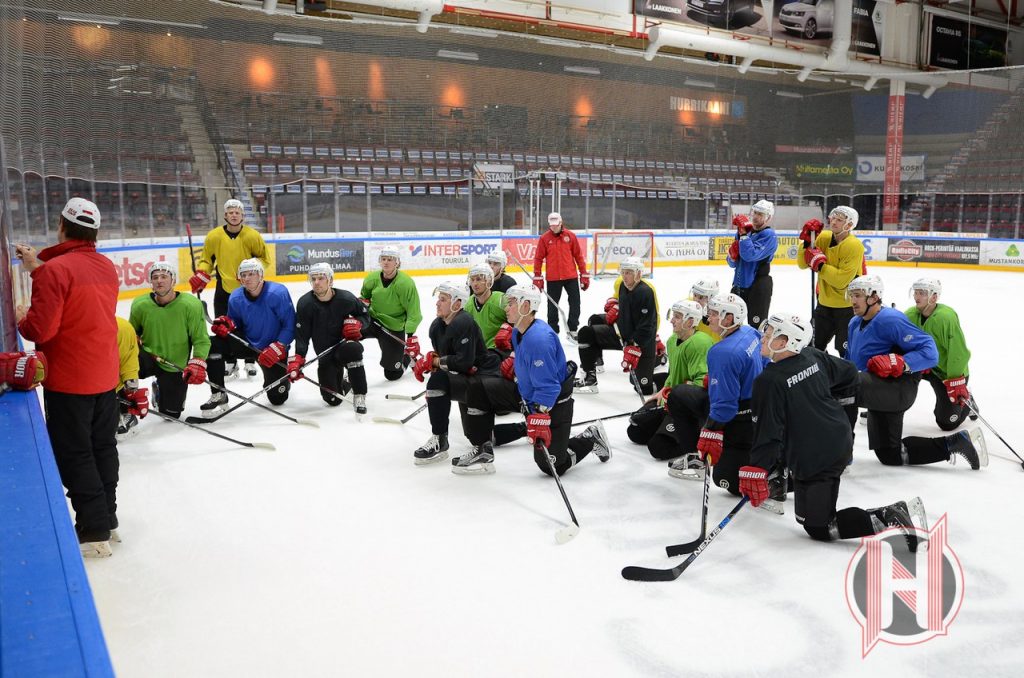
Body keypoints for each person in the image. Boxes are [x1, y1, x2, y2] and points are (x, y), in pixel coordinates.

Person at [740, 311, 928, 549]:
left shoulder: (768, 382)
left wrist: (757, 469)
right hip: (831, 441)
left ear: (785, 341)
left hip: (821, 453)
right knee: (804, 518)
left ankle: (892, 516)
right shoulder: (811, 356)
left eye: (769, 334)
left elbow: (767, 433)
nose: (763, 338)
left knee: (820, 527)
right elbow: (849, 372)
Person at [15, 197, 121, 557]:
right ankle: (108, 517)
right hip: (106, 374)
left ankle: (93, 529)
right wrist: (37, 267)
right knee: (102, 446)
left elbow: (40, 329)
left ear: (62, 225)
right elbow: (74, 280)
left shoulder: (55, 271)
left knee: (74, 452)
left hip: (71, 379)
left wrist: (19, 317)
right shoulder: (106, 266)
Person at [452, 285, 610, 475]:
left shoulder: (538, 340)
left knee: (551, 466)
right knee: (479, 387)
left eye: (511, 304)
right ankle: (482, 449)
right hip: (526, 395)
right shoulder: (518, 331)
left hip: (553, 403)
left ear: (526, 306)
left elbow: (550, 388)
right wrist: (515, 362)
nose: (506, 308)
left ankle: (590, 438)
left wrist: (539, 417)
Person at [846, 275, 987, 470]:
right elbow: (851, 365)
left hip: (898, 389)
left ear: (874, 297)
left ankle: (840, 453)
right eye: (851, 295)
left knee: (846, 388)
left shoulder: (890, 319)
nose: (853, 300)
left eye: (858, 295)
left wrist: (902, 362)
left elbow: (931, 351)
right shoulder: (854, 323)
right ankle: (955, 442)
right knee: (890, 455)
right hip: (880, 387)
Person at [667, 293, 764, 493]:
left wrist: (711, 431)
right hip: (754, 408)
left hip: (737, 417)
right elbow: (762, 364)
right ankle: (694, 455)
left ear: (729, 318)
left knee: (725, 480)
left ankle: (776, 475)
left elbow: (725, 406)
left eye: (712, 314)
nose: (707, 318)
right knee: (679, 394)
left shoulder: (722, 352)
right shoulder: (750, 332)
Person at [411, 282, 501, 465]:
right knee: (474, 434)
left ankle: (440, 440)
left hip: (486, 379)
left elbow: (464, 362)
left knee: (479, 437)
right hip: (469, 379)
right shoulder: (436, 327)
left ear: (457, 304)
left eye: (443, 300)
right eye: (438, 299)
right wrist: (430, 364)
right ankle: (440, 439)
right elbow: (449, 363)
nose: (437, 303)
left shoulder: (464, 321)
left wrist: (435, 362)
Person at [188, 198, 270, 379]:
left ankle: (249, 360)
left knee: (249, 326)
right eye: (230, 212)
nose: (234, 215)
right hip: (224, 289)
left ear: (242, 215)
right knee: (223, 326)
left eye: (237, 212)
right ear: (225, 215)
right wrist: (202, 273)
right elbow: (206, 260)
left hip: (249, 289)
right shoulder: (214, 236)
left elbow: (265, 259)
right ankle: (230, 360)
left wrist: (252, 270)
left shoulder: (252, 236)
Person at [204, 258, 296, 416]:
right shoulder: (235, 297)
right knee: (212, 344)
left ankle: (283, 382)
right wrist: (228, 324)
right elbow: (235, 323)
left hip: (272, 348)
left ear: (261, 275)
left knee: (278, 398)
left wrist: (280, 346)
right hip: (247, 343)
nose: (246, 278)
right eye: (243, 275)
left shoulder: (277, 293)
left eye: (251, 274)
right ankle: (219, 392)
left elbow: (290, 325)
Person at [626, 300, 713, 462]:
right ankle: (665, 429)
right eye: (673, 315)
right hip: (671, 399)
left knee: (658, 447)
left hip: (688, 408)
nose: (672, 320)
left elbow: (702, 383)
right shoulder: (673, 340)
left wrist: (674, 395)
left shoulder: (700, 343)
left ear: (691, 321)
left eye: (678, 317)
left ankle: (694, 441)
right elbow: (672, 374)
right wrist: (663, 390)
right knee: (635, 431)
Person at [129, 262, 210, 420]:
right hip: (147, 357)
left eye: (164, 277)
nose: (159, 280)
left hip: (174, 365)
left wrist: (198, 360)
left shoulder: (191, 305)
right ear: (151, 282)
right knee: (117, 364)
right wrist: (134, 338)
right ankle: (125, 401)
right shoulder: (140, 304)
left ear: (173, 281)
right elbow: (130, 334)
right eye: (155, 277)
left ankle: (159, 390)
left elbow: (201, 339)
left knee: (171, 415)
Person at [289, 263, 368, 415]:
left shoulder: (346, 298)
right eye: (313, 279)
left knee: (353, 349)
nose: (316, 282)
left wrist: (359, 324)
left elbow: (365, 315)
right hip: (324, 355)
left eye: (321, 278)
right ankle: (346, 383)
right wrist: (299, 357)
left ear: (330, 280)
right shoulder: (305, 304)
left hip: (344, 348)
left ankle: (360, 394)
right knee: (332, 400)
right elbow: (302, 335)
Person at [574, 257, 657, 396]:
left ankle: (661, 363)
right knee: (586, 332)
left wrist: (635, 344)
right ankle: (590, 378)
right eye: (623, 272)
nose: (624, 276)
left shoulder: (646, 292)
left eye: (629, 272)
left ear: (638, 274)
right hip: (620, 335)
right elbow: (627, 309)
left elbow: (648, 325)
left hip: (641, 344)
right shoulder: (622, 286)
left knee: (643, 389)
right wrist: (616, 307)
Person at [905, 278, 977, 431]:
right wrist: (918, 360)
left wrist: (956, 380)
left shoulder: (946, 317)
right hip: (925, 367)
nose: (917, 296)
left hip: (947, 374)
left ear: (934, 297)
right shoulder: (910, 315)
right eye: (916, 292)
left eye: (922, 293)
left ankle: (968, 403)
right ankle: (884, 408)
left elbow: (958, 352)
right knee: (896, 373)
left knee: (946, 423)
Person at [797, 205, 865, 357]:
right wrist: (807, 243)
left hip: (848, 308)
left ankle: (845, 379)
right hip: (824, 305)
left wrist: (820, 266)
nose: (833, 222)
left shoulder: (854, 246)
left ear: (849, 225)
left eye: (839, 220)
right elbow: (802, 264)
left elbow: (841, 280)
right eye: (833, 218)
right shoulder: (823, 238)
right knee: (811, 347)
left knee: (845, 350)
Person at [360, 246, 423, 381]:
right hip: (372, 320)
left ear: (397, 263)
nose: (386, 262)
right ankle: (351, 371)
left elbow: (413, 311)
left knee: (392, 374)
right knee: (348, 336)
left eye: (390, 259)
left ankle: (407, 358)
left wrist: (410, 336)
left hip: (393, 326)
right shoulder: (371, 279)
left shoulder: (405, 284)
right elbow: (364, 298)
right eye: (383, 259)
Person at [532, 211, 590, 342]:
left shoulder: (570, 236)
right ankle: (553, 330)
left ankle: (573, 329)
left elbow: (579, 256)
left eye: (556, 225)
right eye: (551, 225)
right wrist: (537, 276)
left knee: (575, 302)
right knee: (552, 305)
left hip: (571, 276)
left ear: (561, 222)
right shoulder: (544, 238)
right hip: (553, 278)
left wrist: (584, 274)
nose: (554, 227)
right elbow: (538, 258)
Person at [726, 200, 778, 327]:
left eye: (760, 214)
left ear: (768, 218)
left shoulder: (769, 235)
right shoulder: (745, 232)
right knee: (729, 323)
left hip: (758, 286)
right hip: (739, 284)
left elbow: (750, 256)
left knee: (756, 326)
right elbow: (733, 264)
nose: (755, 216)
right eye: (755, 212)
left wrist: (743, 235)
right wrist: (732, 258)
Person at [115, 316, 149, 442]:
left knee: (172, 410)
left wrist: (131, 388)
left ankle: (123, 412)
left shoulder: (122, 327)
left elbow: (128, 358)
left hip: (108, 389)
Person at [465, 263, 508, 352]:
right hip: (479, 353)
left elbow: (519, 323)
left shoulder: (501, 300)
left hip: (499, 352)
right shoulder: (468, 305)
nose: (475, 284)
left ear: (489, 281)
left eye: (479, 279)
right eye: (472, 280)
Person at [689, 279, 722, 344]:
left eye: (701, 297)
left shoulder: (721, 315)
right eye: (694, 295)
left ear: (711, 298)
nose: (695, 300)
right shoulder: (688, 305)